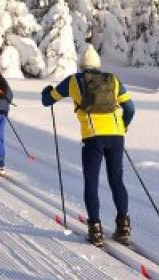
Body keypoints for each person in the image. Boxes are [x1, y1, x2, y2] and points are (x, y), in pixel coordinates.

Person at [42, 45, 135, 246]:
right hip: (116, 135)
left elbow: (48, 100)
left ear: (81, 65)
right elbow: (130, 108)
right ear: (98, 65)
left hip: (93, 136)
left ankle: (95, 229)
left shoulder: (74, 81)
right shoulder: (113, 80)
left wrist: (47, 91)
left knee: (91, 182)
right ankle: (124, 226)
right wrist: (122, 127)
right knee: (116, 180)